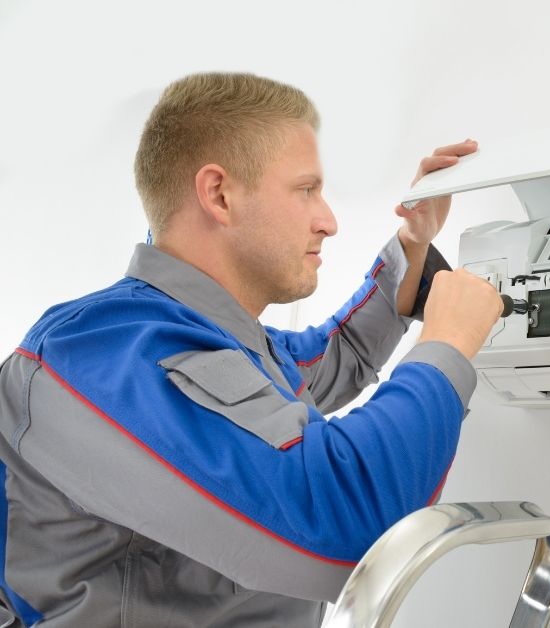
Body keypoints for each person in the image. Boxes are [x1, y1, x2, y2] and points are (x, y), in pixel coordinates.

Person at [0, 72, 502, 626]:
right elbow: (341, 520)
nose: (328, 220)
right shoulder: (99, 354)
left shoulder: (221, 340)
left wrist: (412, 243)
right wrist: (447, 346)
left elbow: (334, 358)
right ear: (219, 194)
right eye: (306, 189)